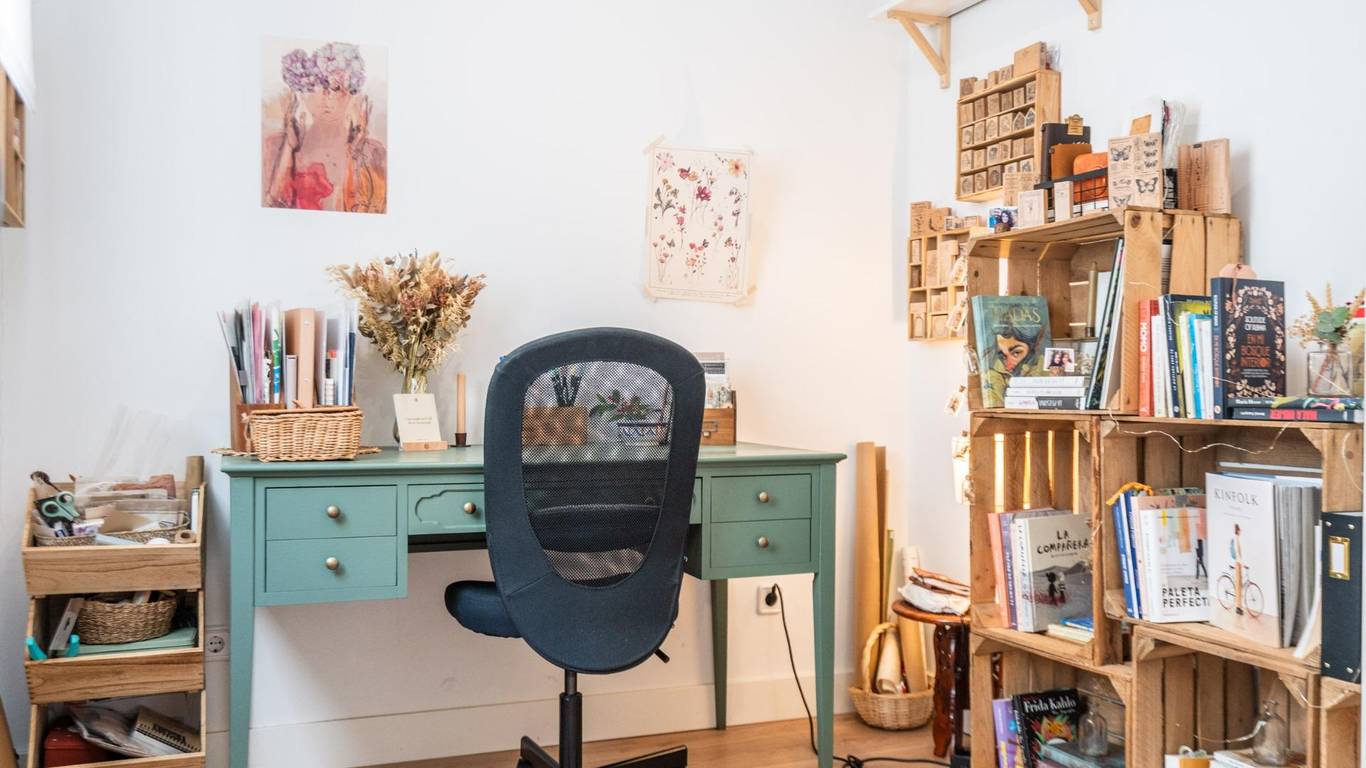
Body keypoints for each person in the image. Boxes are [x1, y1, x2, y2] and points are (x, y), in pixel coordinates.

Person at [263, 42, 387, 212]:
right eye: (317, 87)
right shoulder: (274, 146)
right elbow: (272, 207)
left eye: (336, 88)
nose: (326, 98)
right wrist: (288, 148)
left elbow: (373, 209)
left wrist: (355, 157)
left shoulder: (374, 152)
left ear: (351, 94)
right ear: (303, 91)